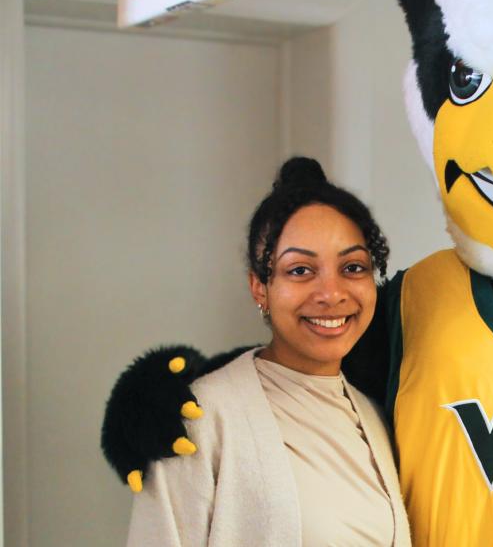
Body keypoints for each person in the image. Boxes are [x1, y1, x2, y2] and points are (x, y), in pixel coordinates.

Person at [122, 157, 411, 546]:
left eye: (353, 267)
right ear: (260, 288)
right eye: (300, 270)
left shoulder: (376, 416)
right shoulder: (197, 417)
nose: (332, 293)